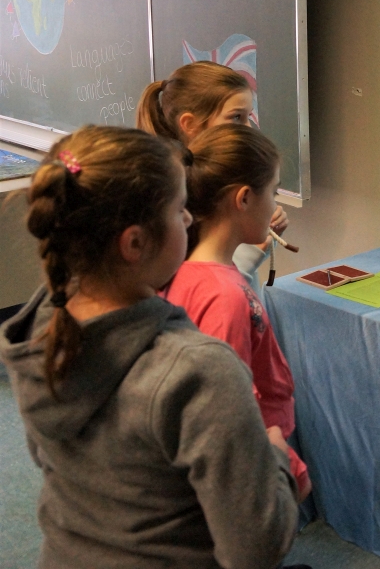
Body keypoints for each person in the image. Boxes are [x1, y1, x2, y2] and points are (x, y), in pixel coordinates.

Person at [0, 126, 299, 568]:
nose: (189, 220)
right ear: (135, 243)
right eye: (179, 209)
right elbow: (257, 547)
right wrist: (275, 457)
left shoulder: (39, 331)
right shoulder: (200, 372)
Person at [164, 124, 311, 502]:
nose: (275, 206)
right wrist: (286, 467)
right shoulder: (223, 297)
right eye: (273, 192)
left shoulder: (191, 271)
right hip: (253, 459)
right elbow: (229, 405)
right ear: (243, 198)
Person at [136, 60, 289, 299]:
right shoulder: (170, 197)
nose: (248, 128)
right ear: (190, 124)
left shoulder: (224, 175)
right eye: (236, 117)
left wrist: (259, 223)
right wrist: (252, 252)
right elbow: (197, 290)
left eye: (248, 116)